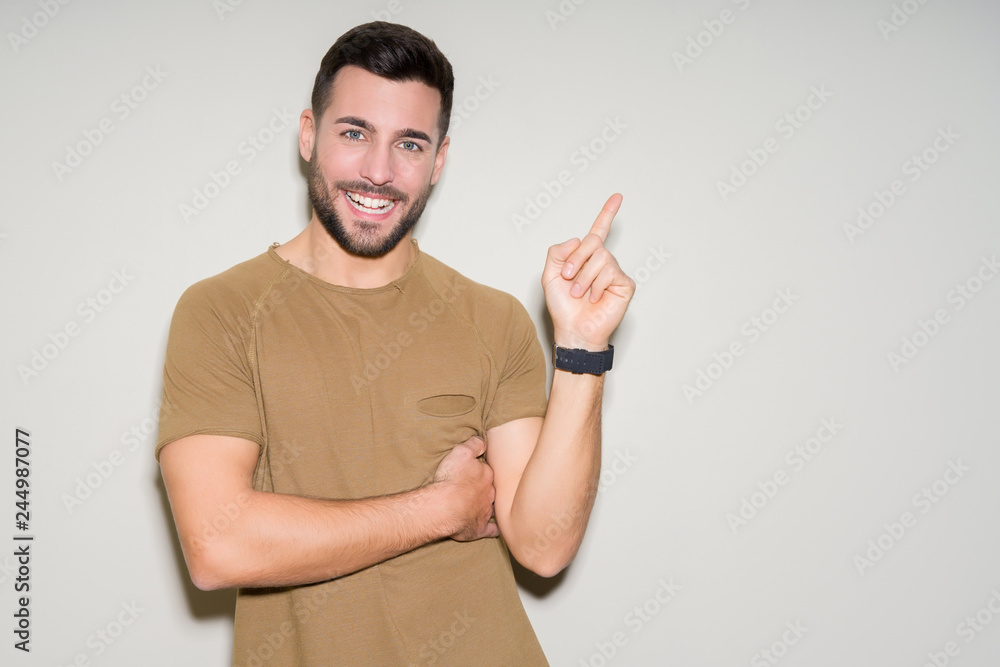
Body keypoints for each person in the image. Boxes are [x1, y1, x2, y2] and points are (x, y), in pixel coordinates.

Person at [156, 20, 635, 667]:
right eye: (354, 133)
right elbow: (218, 546)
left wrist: (581, 350)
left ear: (438, 160)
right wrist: (440, 509)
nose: (378, 171)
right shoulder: (221, 312)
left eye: (409, 144)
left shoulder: (492, 319)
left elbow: (544, 546)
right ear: (309, 135)